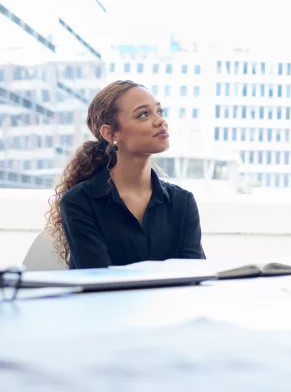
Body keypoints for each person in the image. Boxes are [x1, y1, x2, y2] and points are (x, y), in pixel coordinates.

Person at [44, 80, 205, 269]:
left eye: (159, 112)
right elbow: (99, 282)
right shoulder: (78, 202)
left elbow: (194, 276)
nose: (161, 121)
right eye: (143, 114)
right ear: (111, 134)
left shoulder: (182, 202)